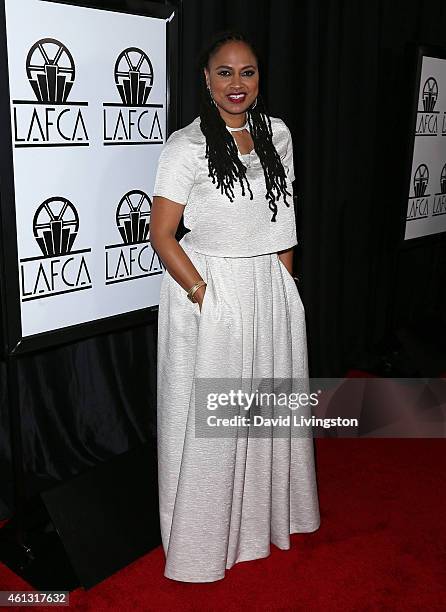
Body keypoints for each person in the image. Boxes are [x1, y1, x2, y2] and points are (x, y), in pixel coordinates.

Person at [150, 30, 320, 583]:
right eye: (224, 72)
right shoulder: (186, 147)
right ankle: (202, 542)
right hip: (210, 288)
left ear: (258, 77)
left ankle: (257, 525)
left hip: (267, 286)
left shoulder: (278, 135)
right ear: (206, 79)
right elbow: (161, 234)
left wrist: (284, 287)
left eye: (247, 72)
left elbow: (284, 216)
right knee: (213, 421)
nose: (237, 84)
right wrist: (205, 297)